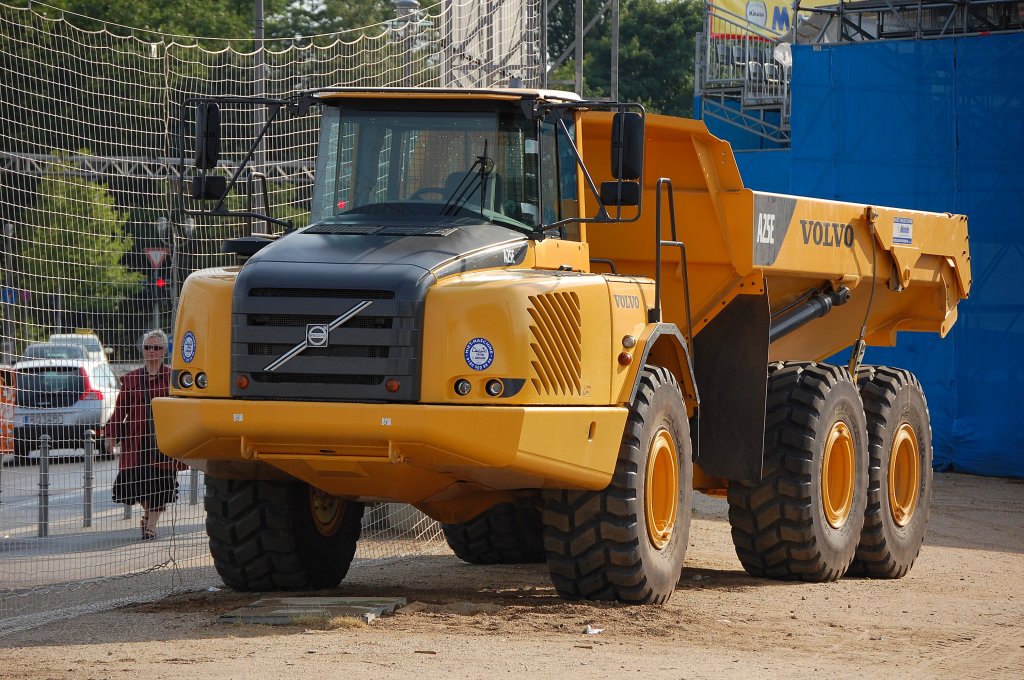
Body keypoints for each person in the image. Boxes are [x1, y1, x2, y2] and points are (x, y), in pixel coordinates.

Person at [107, 330, 185, 540]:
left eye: (157, 348)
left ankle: (150, 527)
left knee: (160, 486)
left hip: (164, 443)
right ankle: (147, 515)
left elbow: (183, 410)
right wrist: (111, 434)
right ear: (143, 351)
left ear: (164, 352)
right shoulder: (131, 379)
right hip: (135, 443)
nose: (152, 351)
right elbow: (119, 410)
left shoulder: (173, 379)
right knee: (137, 488)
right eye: (148, 347)